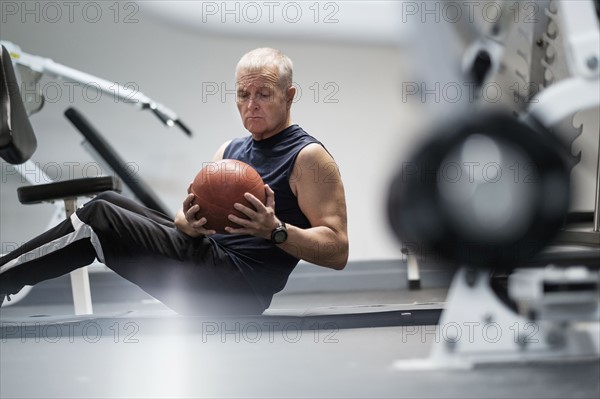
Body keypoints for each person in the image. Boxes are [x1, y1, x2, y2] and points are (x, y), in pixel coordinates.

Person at [0, 48, 349, 316]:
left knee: (99, 217)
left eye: (264, 94)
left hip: (237, 289)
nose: (251, 105)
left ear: (289, 96)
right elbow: (186, 223)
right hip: (210, 260)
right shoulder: (230, 150)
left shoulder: (308, 157)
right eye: (244, 94)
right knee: (109, 200)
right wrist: (190, 222)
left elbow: (338, 250)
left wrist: (274, 230)